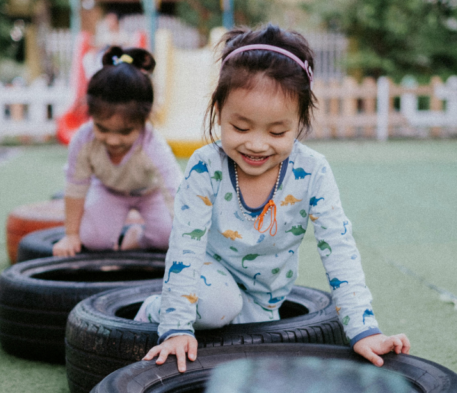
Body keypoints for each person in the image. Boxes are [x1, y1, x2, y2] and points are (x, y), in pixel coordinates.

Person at [136, 24, 411, 373]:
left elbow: (338, 249)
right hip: (209, 282)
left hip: (265, 297)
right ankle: (152, 310)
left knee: (252, 352)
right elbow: (185, 248)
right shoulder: (205, 167)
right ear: (218, 111)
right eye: (240, 127)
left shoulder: (313, 172)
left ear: (300, 122)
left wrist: (362, 328)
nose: (257, 144)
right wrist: (175, 326)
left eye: (277, 131)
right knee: (219, 305)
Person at [53, 46, 182, 256]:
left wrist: (188, 242)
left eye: (125, 132)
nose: (113, 140)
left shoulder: (152, 145)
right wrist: (71, 234)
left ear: (144, 119)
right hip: (108, 190)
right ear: (91, 115)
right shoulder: (84, 140)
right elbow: (76, 186)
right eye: (102, 129)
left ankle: (136, 238)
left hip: (150, 193)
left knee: (167, 236)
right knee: (94, 241)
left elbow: (174, 189)